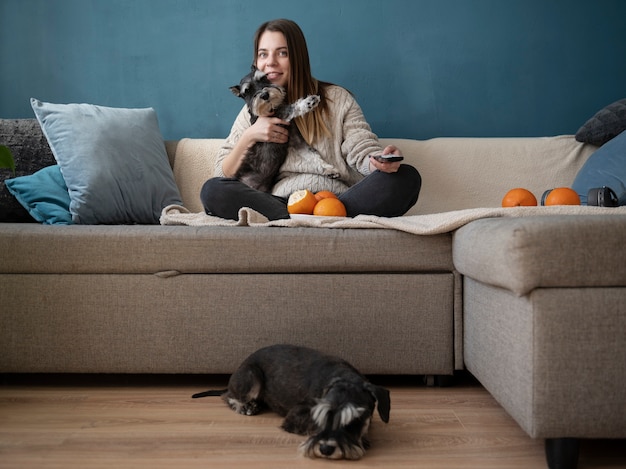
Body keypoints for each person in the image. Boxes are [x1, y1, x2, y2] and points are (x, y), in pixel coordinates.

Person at [201, 18, 421, 220]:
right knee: (212, 190)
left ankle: (313, 222)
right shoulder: (252, 112)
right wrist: (250, 135)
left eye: (282, 53)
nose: (271, 62)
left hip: (340, 201)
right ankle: (304, 222)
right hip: (281, 204)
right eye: (263, 54)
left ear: (298, 57)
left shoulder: (337, 99)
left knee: (406, 178)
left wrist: (378, 162)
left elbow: (361, 147)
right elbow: (222, 173)